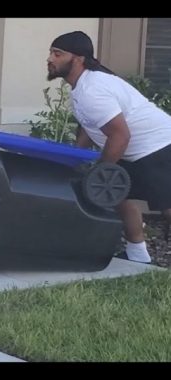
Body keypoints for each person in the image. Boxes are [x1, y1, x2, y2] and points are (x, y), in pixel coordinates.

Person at [46, 30, 171, 263]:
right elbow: (89, 127)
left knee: (167, 206)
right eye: (51, 53)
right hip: (136, 150)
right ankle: (138, 255)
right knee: (116, 193)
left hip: (159, 147)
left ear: (79, 58)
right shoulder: (82, 88)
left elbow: (120, 135)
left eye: (58, 53)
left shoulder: (93, 90)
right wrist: (75, 158)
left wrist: (101, 171)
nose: (50, 59)